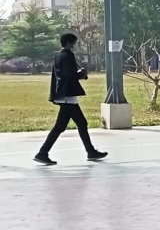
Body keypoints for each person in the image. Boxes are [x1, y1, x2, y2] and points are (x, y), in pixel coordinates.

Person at [34, 33, 107, 165]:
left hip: (64, 94)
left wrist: (79, 74)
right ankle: (43, 153)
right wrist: (81, 74)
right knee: (78, 124)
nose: (74, 45)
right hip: (68, 96)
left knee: (65, 126)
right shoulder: (67, 56)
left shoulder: (58, 56)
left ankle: (43, 153)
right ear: (68, 42)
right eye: (73, 42)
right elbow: (69, 75)